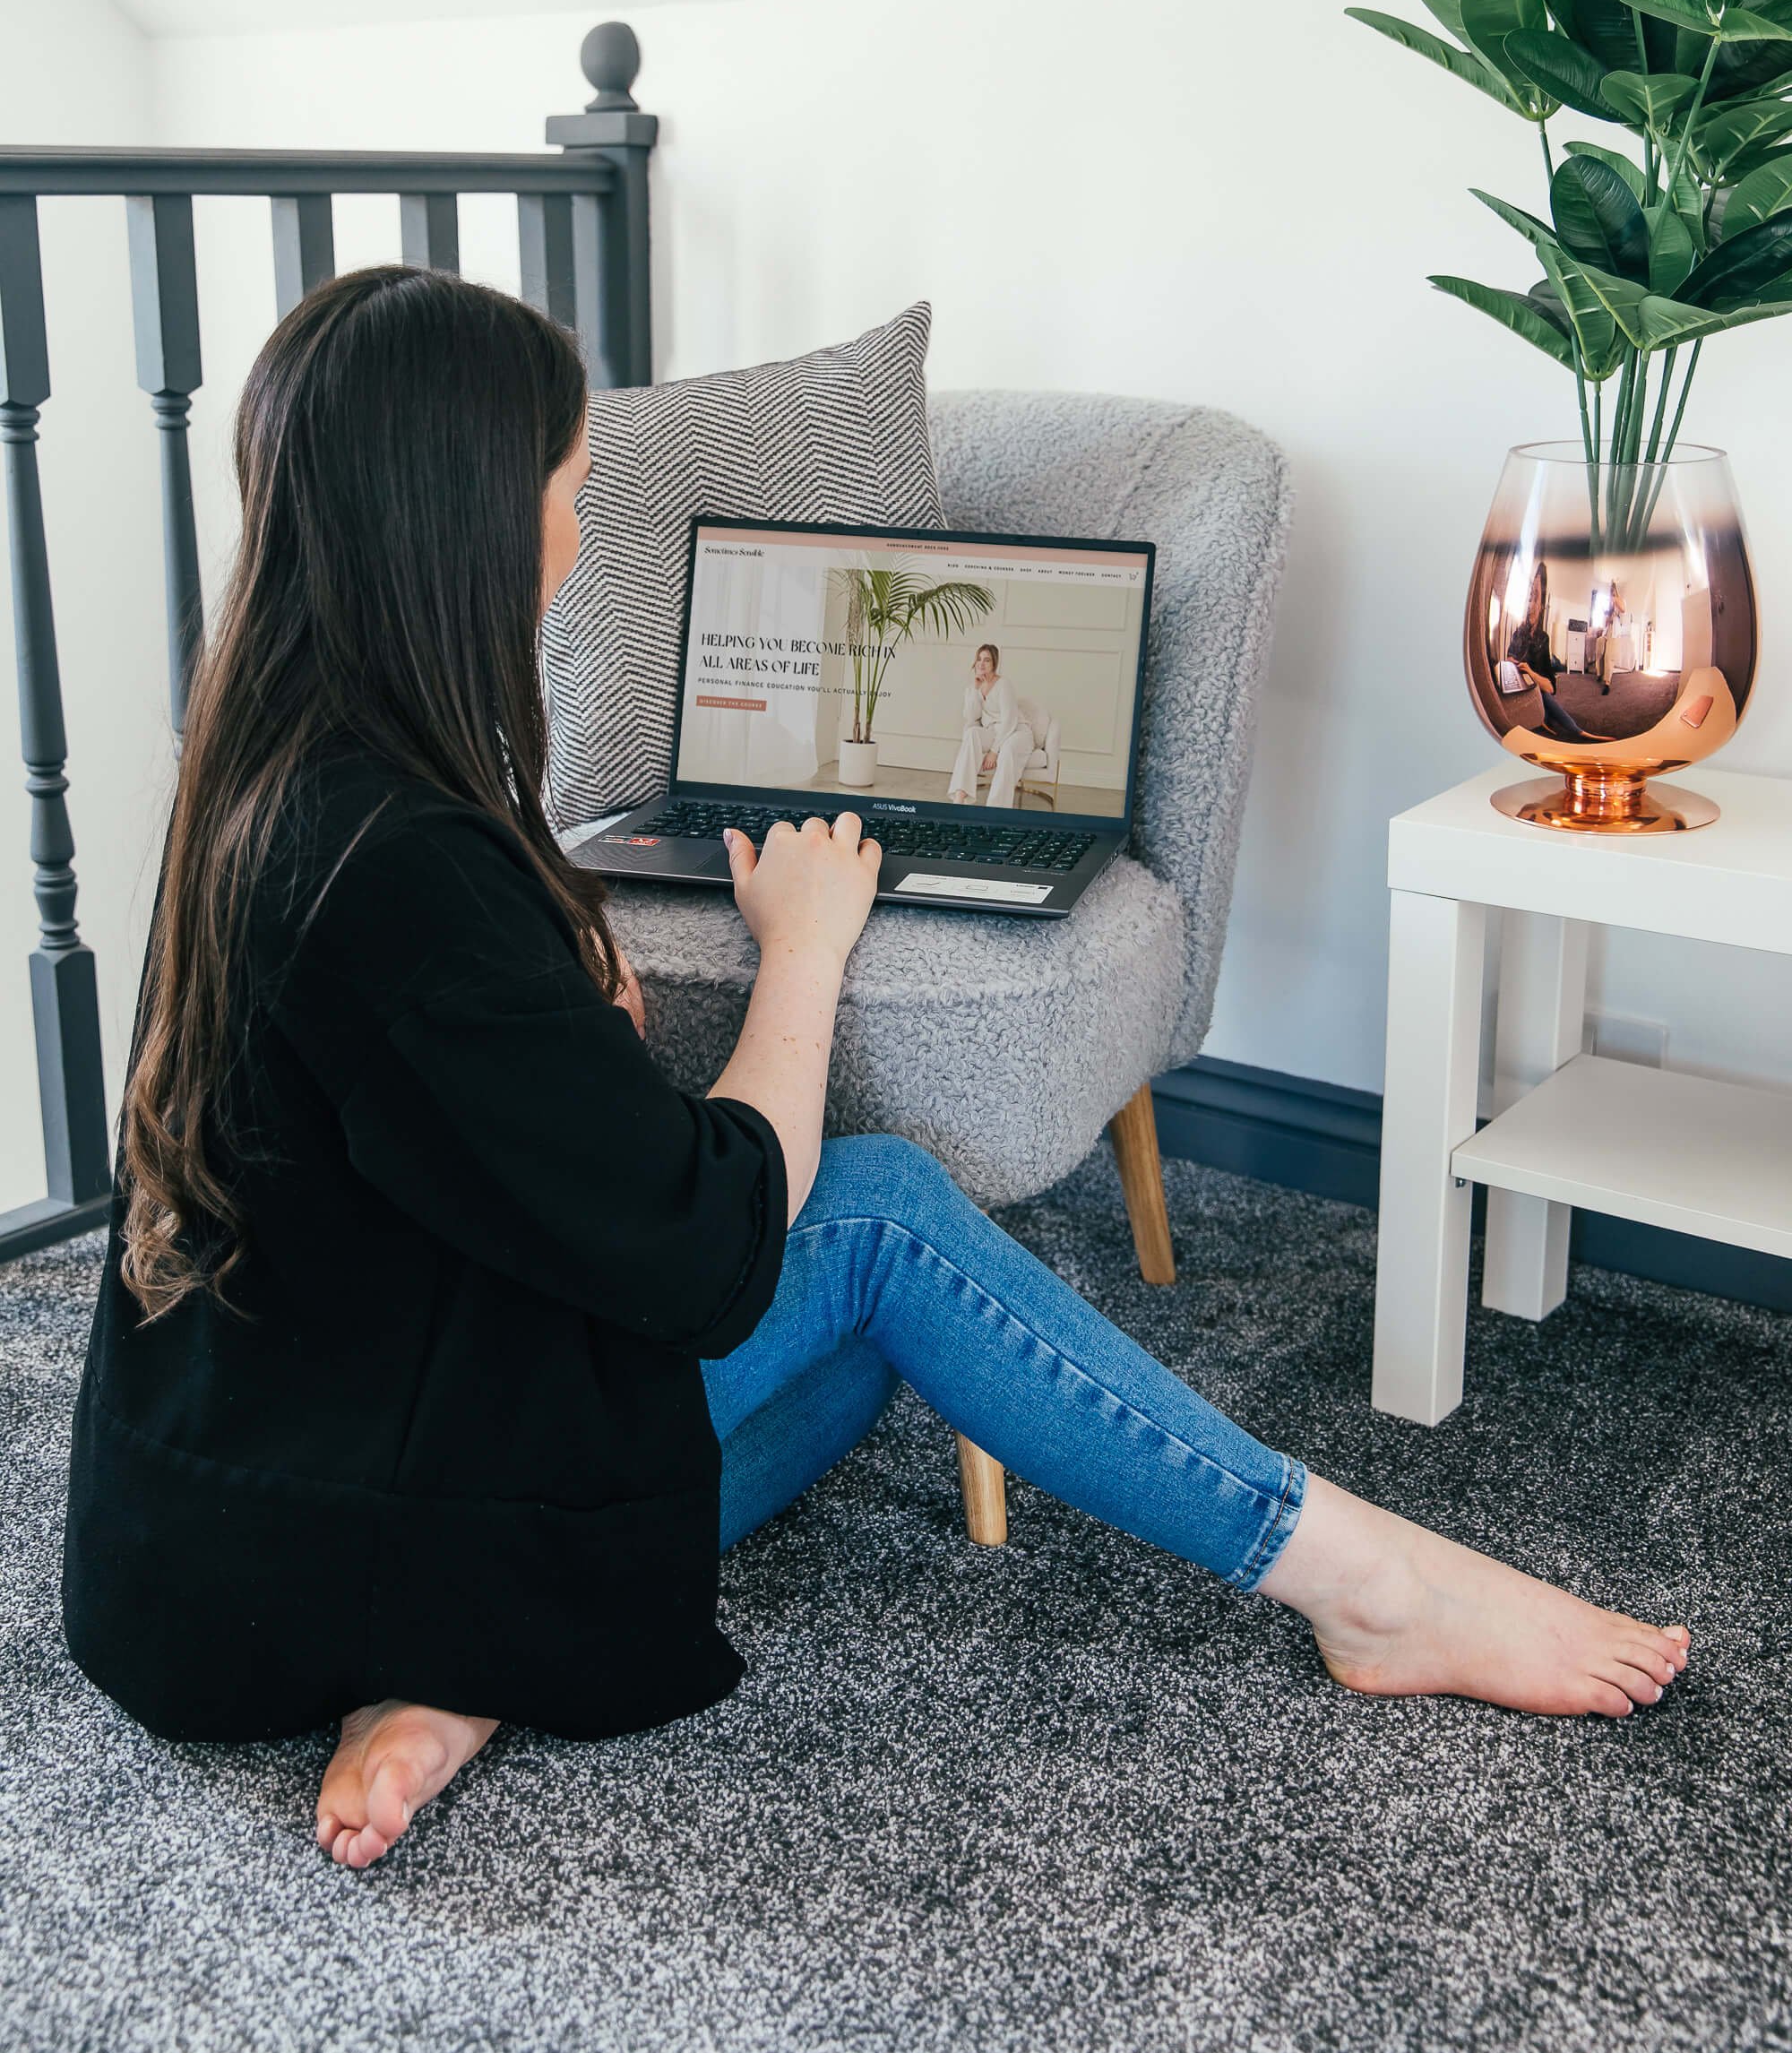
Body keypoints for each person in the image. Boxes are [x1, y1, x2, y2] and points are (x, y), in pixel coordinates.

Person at [63, 270, 1689, 1874]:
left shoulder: (268, 778)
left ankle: (469, 1669)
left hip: (190, 1553)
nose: (574, 544)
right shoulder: (404, 868)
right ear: (468, 524)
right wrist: (810, 946)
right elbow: (711, 1259)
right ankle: (1371, 1587)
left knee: (865, 1365)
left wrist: (562, 1010)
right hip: (300, 1579)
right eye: (565, 494)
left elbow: (431, 1149)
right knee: (894, 1226)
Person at [1509, 564, 1605, 744]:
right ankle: (1568, 727)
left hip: (1541, 681)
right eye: (1529, 598)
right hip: (1529, 691)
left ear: (1542, 605)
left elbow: (1551, 688)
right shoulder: (1517, 635)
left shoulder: (1543, 638)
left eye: (1535, 598)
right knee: (1541, 692)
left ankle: (1573, 729)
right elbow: (1508, 663)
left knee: (1552, 675)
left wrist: (1530, 672)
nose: (1530, 605)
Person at [947, 642, 1040, 805]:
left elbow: (1010, 721)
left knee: (1008, 750)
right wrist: (975, 690)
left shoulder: (1004, 684)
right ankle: (960, 796)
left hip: (1017, 732)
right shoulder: (973, 687)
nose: (982, 663)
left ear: (994, 664)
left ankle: (995, 809)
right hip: (994, 732)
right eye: (979, 659)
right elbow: (971, 717)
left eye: (987, 660)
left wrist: (994, 751)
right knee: (971, 733)